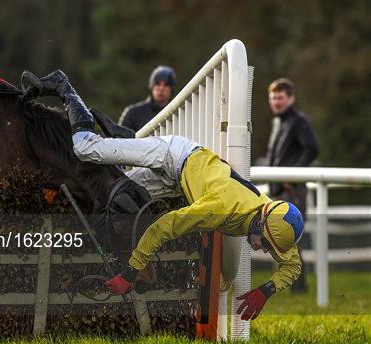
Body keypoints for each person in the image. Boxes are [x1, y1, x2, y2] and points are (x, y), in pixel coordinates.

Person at [23, 69, 304, 321]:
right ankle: (63, 86)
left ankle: (120, 136)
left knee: (115, 199)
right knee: (85, 149)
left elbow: (292, 265)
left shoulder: (275, 216)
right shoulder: (218, 208)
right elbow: (163, 228)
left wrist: (267, 290)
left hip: (181, 180)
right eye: (264, 243)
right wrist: (130, 273)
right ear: (261, 222)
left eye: (267, 246)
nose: (263, 249)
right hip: (172, 155)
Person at [266, 78, 319, 293]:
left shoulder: (298, 121)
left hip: (292, 190)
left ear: (291, 98)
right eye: (273, 98)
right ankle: (295, 288)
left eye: (280, 98)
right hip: (280, 189)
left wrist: (292, 175)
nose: (276, 102)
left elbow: (312, 148)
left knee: (292, 240)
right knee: (285, 242)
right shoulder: (279, 121)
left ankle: (300, 289)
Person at [118, 65, 176, 132]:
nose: (161, 88)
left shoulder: (179, 113)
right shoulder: (133, 114)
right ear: (152, 87)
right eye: (157, 84)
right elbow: (121, 139)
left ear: (171, 89)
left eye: (166, 85)